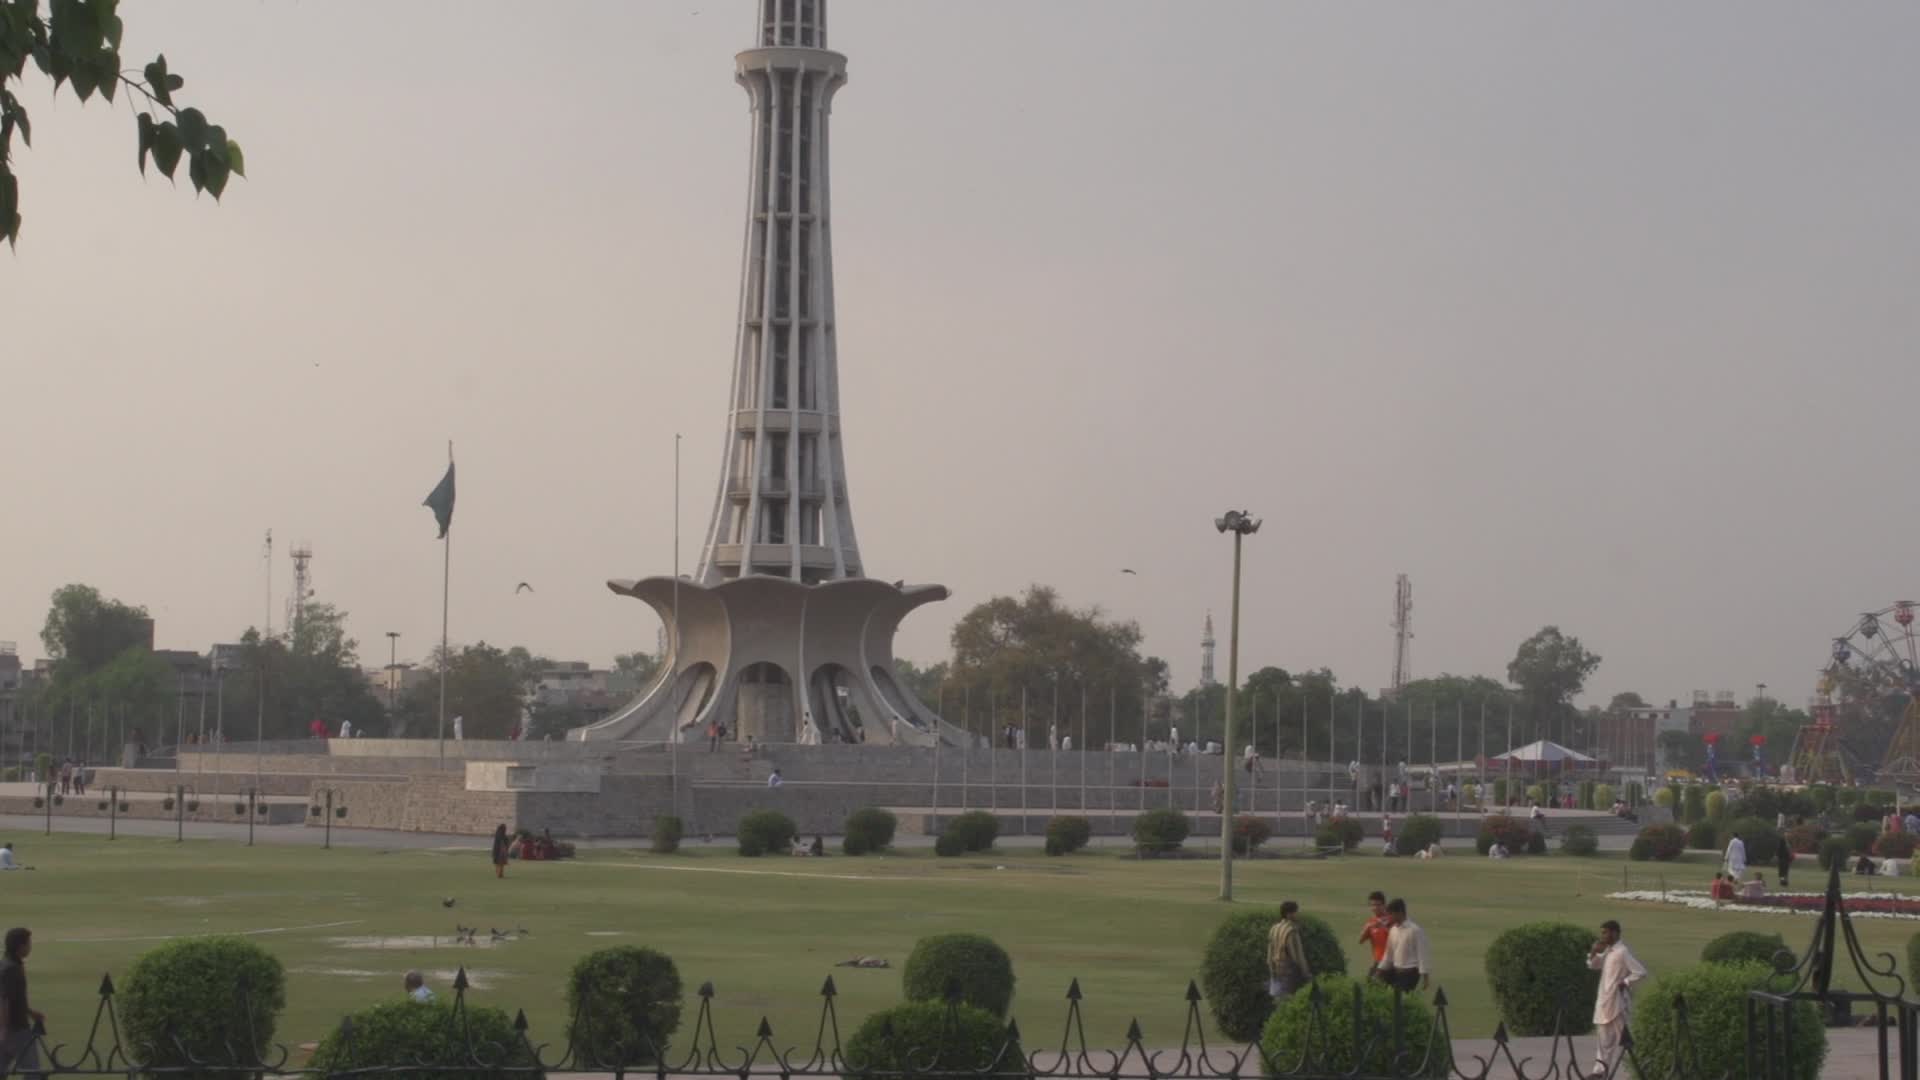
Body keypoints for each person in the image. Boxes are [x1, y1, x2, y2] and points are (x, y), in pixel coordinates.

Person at [1587, 919, 1649, 1079]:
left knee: (1626, 1039)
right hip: (1604, 1002)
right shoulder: (1608, 951)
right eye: (1602, 933)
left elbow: (1640, 971)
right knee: (1603, 1040)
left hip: (1618, 1003)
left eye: (1605, 932)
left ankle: (1642, 1068)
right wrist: (1594, 951)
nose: (1603, 936)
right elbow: (1593, 965)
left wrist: (1625, 982)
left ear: (1615, 933)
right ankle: (1599, 1072)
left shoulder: (1622, 952)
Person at [0, 927, 45, 1080]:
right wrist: (4, 1029)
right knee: (33, 1072)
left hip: (11, 1028)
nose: (30, 946)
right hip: (16, 1029)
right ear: (20, 946)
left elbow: (15, 998)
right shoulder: (11, 969)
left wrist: (31, 1013)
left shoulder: (8, 964)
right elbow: (5, 1000)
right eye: (28, 943)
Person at [1378, 899, 1431, 993]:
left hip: (1410, 973)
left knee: (1400, 999)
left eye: (1391, 914)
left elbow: (1422, 954)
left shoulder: (1415, 930)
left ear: (1400, 913)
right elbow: (1388, 954)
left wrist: (1425, 977)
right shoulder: (1393, 930)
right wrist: (1380, 970)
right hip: (1395, 970)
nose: (1389, 918)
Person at [1266, 901, 1312, 1001]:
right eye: (1295, 912)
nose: (1297, 914)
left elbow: (1269, 954)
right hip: (1289, 973)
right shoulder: (1291, 931)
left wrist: (1271, 971)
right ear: (1289, 914)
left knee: (1277, 1003)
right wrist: (1306, 973)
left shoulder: (1274, 928)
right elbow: (1298, 957)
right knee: (1289, 1003)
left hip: (1275, 971)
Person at [1356, 891, 1392, 975]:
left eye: (1378, 905)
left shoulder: (1391, 919)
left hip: (1390, 961)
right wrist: (1367, 928)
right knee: (1370, 983)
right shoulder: (1371, 922)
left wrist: (1383, 926)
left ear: (1384, 905)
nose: (1375, 908)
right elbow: (1360, 941)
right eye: (1373, 905)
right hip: (1378, 961)